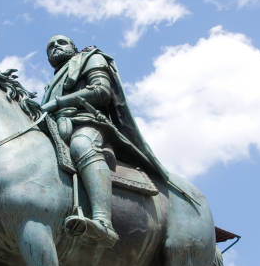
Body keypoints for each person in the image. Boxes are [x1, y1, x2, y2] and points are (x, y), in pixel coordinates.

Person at [41, 35, 170, 247]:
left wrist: (57, 102)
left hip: (87, 123)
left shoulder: (91, 58)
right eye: (50, 47)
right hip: (57, 127)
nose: (55, 47)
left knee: (82, 145)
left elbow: (101, 91)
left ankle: (103, 222)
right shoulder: (52, 83)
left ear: (73, 46)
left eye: (61, 43)